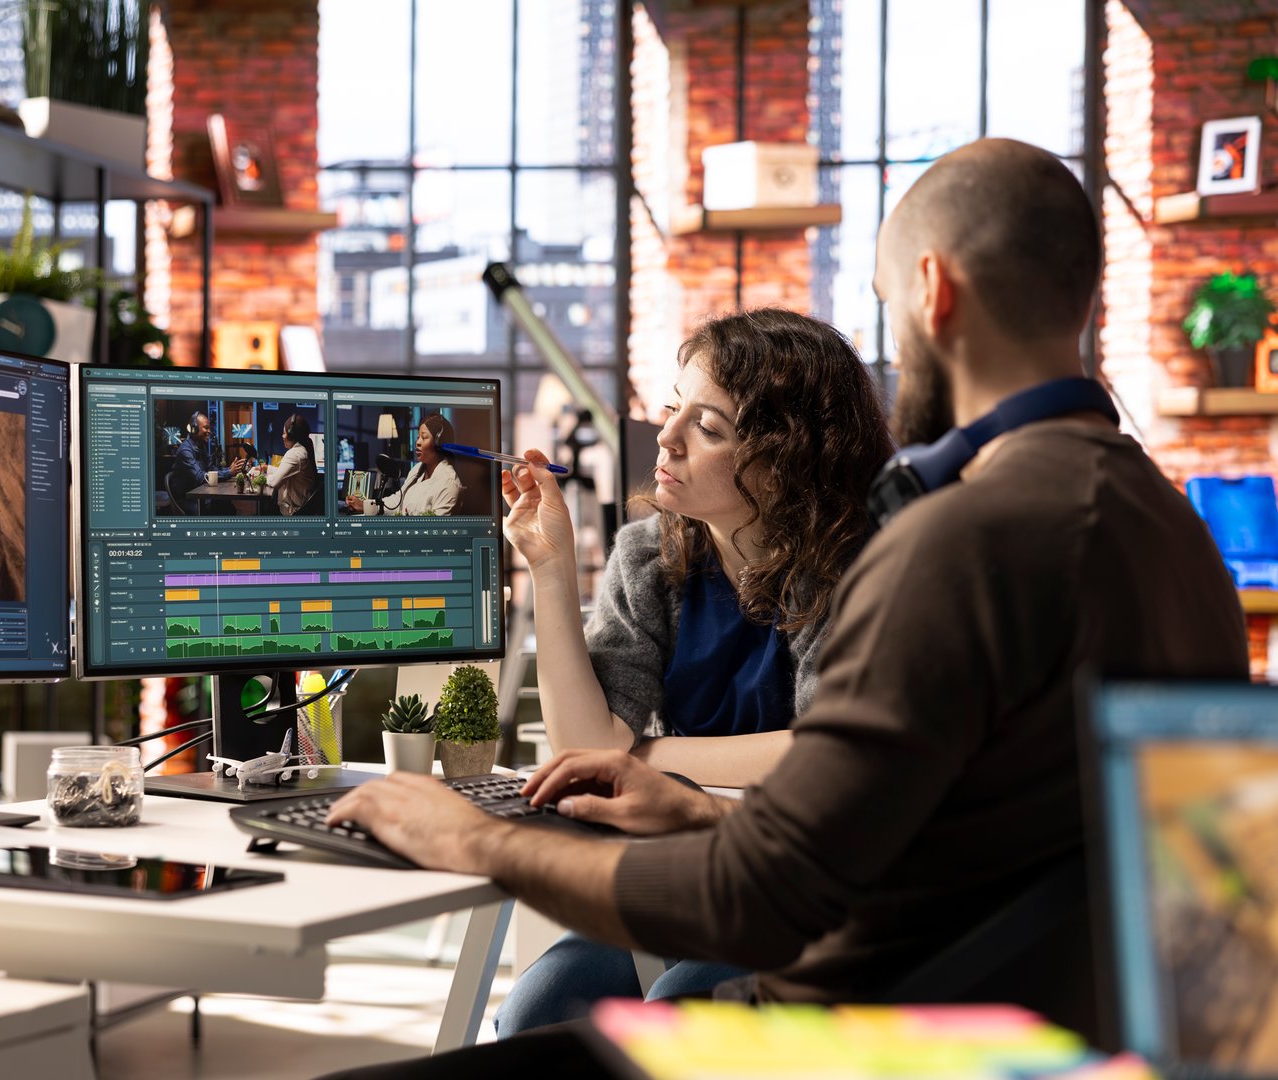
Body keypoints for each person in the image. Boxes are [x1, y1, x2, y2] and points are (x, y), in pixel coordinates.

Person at [314, 138, 1249, 1077]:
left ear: (932, 290)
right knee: (553, 1002)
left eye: (887, 303)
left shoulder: (959, 541)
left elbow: (756, 898)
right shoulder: (1170, 530)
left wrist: (473, 838)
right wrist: (699, 818)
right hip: (1049, 1028)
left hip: (858, 1039)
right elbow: (953, 849)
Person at [494, 308, 893, 1035]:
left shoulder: (855, 568)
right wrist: (549, 567)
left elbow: (826, 757)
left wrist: (649, 758)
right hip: (687, 871)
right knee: (535, 1015)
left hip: (811, 888)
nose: (666, 437)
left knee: (677, 1015)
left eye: (708, 428)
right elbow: (587, 745)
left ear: (788, 458)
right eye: (673, 408)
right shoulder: (648, 557)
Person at [345, 413, 464, 516]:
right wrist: (365, 505)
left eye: (424, 437)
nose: (417, 442)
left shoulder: (448, 483)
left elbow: (436, 530)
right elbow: (398, 501)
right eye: (418, 437)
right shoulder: (417, 469)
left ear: (440, 443)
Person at [169, 410, 245, 514]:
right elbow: (200, 477)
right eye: (206, 427)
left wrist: (230, 469)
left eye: (209, 428)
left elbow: (211, 469)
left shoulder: (201, 446)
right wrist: (229, 473)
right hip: (188, 498)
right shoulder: (185, 451)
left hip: (201, 492)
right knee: (223, 507)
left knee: (227, 505)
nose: (209, 431)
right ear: (194, 429)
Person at [267, 412, 318, 516]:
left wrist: (264, 477)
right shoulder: (301, 450)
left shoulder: (294, 454)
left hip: (293, 512)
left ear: (291, 435)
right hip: (302, 511)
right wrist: (266, 468)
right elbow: (284, 473)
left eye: (284, 432)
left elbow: (274, 482)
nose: (282, 436)